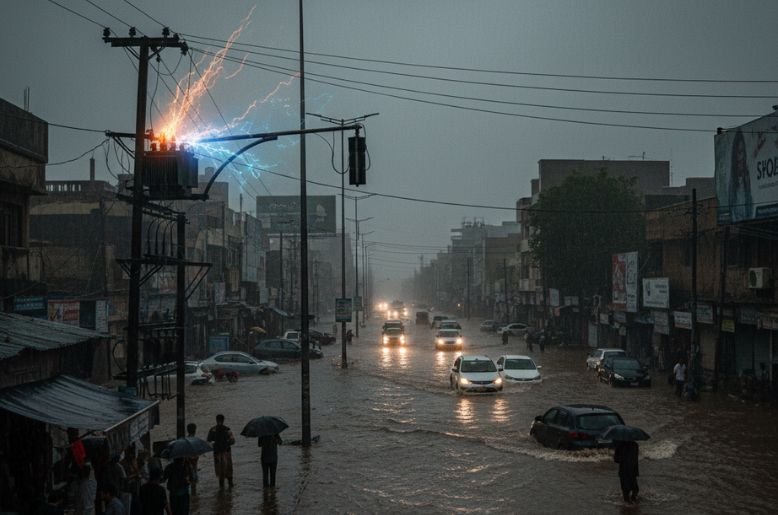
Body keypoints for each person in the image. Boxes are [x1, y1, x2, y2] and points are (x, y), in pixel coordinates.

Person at [206, 414, 235, 489]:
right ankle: (230, 488)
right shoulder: (227, 429)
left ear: (216, 420)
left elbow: (208, 441)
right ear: (223, 420)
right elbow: (233, 441)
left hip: (217, 453)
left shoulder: (212, 430)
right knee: (228, 471)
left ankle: (222, 490)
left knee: (220, 472)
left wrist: (215, 444)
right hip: (226, 452)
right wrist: (227, 442)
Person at [185, 423, 199, 496]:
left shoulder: (185, 440)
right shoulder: (195, 440)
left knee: (188, 482)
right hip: (192, 464)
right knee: (193, 484)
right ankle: (194, 497)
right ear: (195, 430)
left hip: (187, 464)